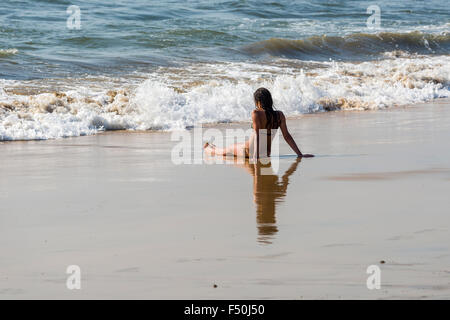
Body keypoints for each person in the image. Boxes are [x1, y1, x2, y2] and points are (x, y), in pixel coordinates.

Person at [203, 87, 314, 159]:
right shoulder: (279, 115)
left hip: (249, 151)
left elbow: (257, 135)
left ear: (258, 102)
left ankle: (208, 148)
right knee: (232, 147)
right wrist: (299, 154)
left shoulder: (256, 113)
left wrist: (255, 156)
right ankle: (212, 146)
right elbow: (287, 136)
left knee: (223, 151)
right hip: (266, 153)